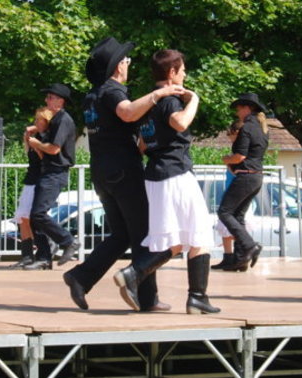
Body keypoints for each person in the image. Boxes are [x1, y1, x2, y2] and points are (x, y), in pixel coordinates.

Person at [62, 37, 181, 311]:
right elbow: (127, 113)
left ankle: (81, 277)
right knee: (144, 233)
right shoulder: (112, 91)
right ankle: (147, 298)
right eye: (126, 61)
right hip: (123, 170)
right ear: (118, 66)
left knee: (122, 234)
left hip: (102, 172)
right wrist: (159, 95)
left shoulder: (91, 96)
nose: (129, 64)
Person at [114, 49, 220, 315]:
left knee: (175, 239)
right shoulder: (170, 100)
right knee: (199, 233)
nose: (184, 74)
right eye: (182, 70)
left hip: (155, 175)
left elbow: (142, 144)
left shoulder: (148, 103)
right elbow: (181, 123)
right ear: (172, 73)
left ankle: (137, 274)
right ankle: (194, 296)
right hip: (176, 173)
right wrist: (194, 100)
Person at [25, 83, 78, 270]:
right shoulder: (55, 120)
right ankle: (44, 257)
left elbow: (54, 149)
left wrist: (36, 143)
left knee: (38, 214)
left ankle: (68, 241)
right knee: (34, 216)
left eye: (50, 97)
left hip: (55, 172)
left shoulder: (63, 120)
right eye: (47, 97)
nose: (46, 100)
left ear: (60, 101)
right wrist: (36, 134)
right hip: (49, 171)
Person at [215, 93, 270, 271]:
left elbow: (239, 157)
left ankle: (249, 246)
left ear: (247, 108)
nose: (237, 112)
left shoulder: (247, 128)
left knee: (224, 212)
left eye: (239, 109)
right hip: (256, 177)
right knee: (238, 216)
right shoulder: (263, 130)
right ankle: (241, 260)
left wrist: (226, 159)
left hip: (245, 176)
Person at [12, 107, 54, 269]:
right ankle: (27, 255)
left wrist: (37, 146)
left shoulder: (47, 138)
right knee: (22, 217)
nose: (35, 122)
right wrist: (29, 136)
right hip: (30, 179)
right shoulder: (37, 137)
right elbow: (28, 146)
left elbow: (48, 159)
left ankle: (45, 247)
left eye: (38, 120)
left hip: (39, 179)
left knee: (31, 217)